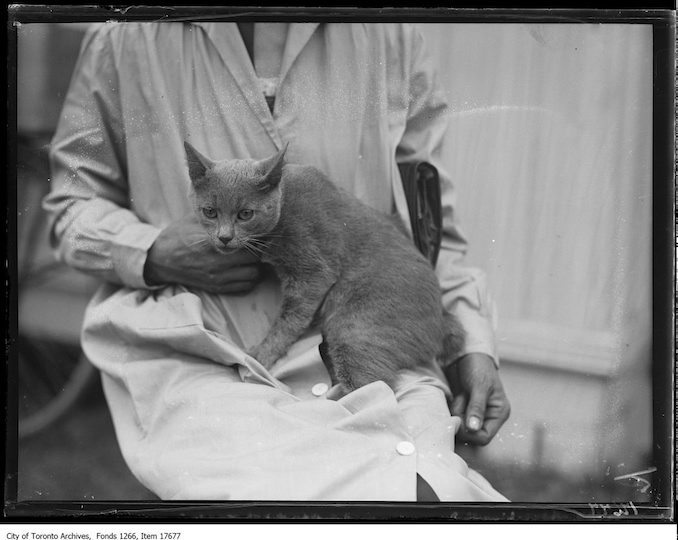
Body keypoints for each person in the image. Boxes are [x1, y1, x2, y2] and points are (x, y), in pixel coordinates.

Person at [43, 20, 510, 501]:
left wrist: (470, 342)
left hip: (363, 339)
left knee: (425, 496)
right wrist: (153, 252)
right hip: (201, 347)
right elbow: (69, 205)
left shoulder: (389, 35)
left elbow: (430, 225)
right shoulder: (125, 37)